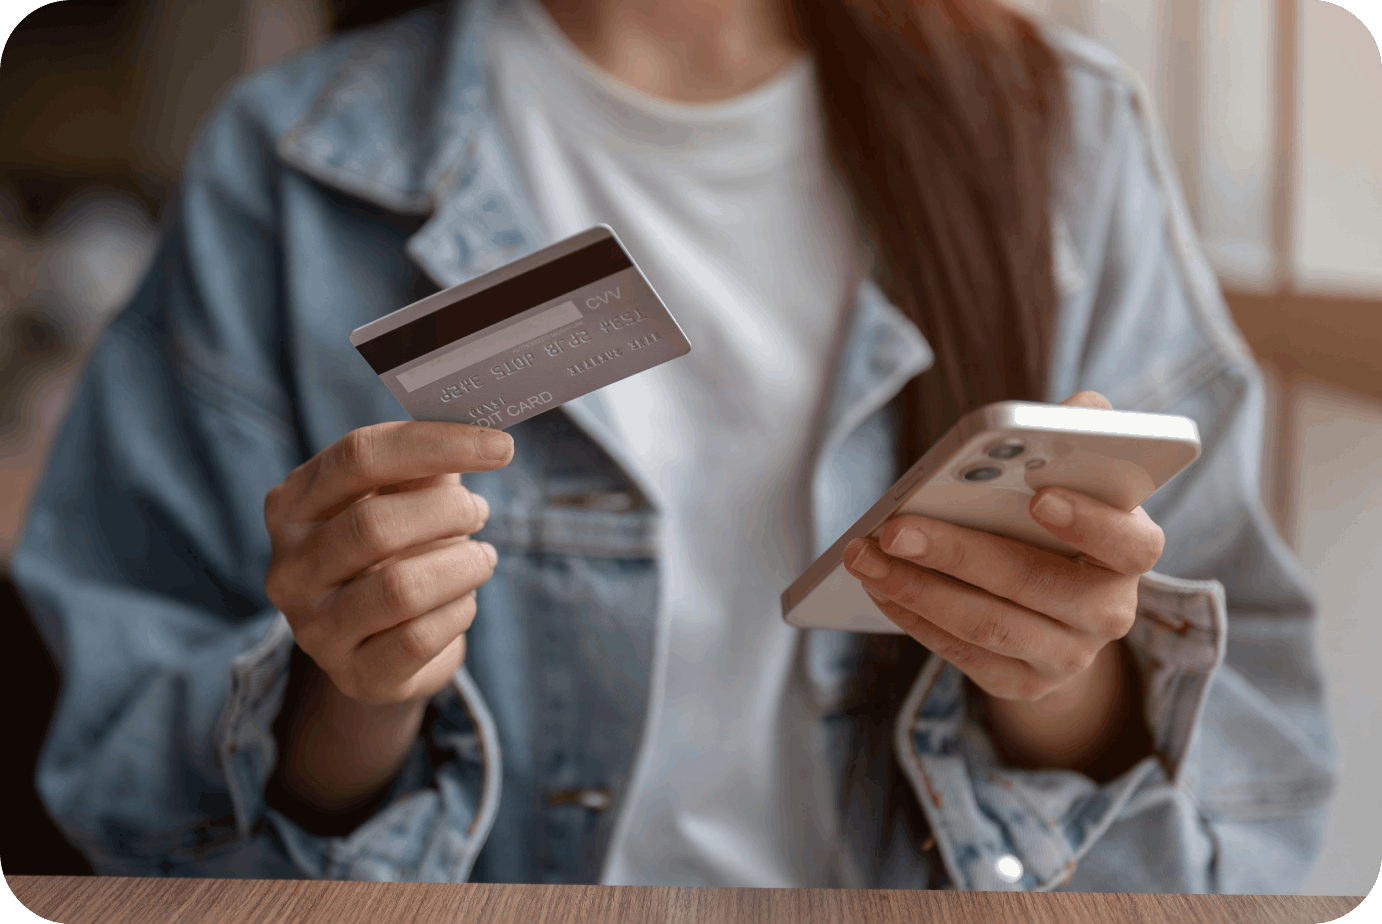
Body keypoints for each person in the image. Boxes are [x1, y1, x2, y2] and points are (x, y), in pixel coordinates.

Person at [10, 0, 1336, 892]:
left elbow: (1255, 797)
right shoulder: (290, 163)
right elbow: (126, 784)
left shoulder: (1061, 136)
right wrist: (351, 691)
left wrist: (1055, 680)